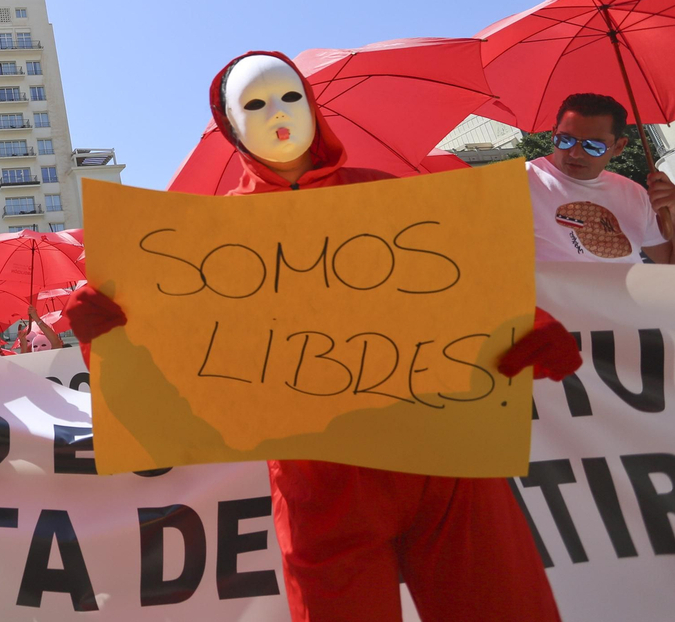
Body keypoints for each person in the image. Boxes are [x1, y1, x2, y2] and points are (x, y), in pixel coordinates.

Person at [68, 51, 580, 622]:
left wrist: (529, 325)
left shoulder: (391, 196)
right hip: (322, 484)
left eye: (289, 96)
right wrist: (108, 335)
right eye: (255, 104)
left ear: (312, 105)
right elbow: (175, 367)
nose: (277, 113)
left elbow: (461, 288)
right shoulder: (204, 244)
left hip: (446, 460)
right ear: (230, 126)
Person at [530, 92, 675, 265]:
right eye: (565, 140)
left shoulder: (634, 193)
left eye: (593, 146)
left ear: (619, 147)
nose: (575, 153)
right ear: (553, 133)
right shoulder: (518, 183)